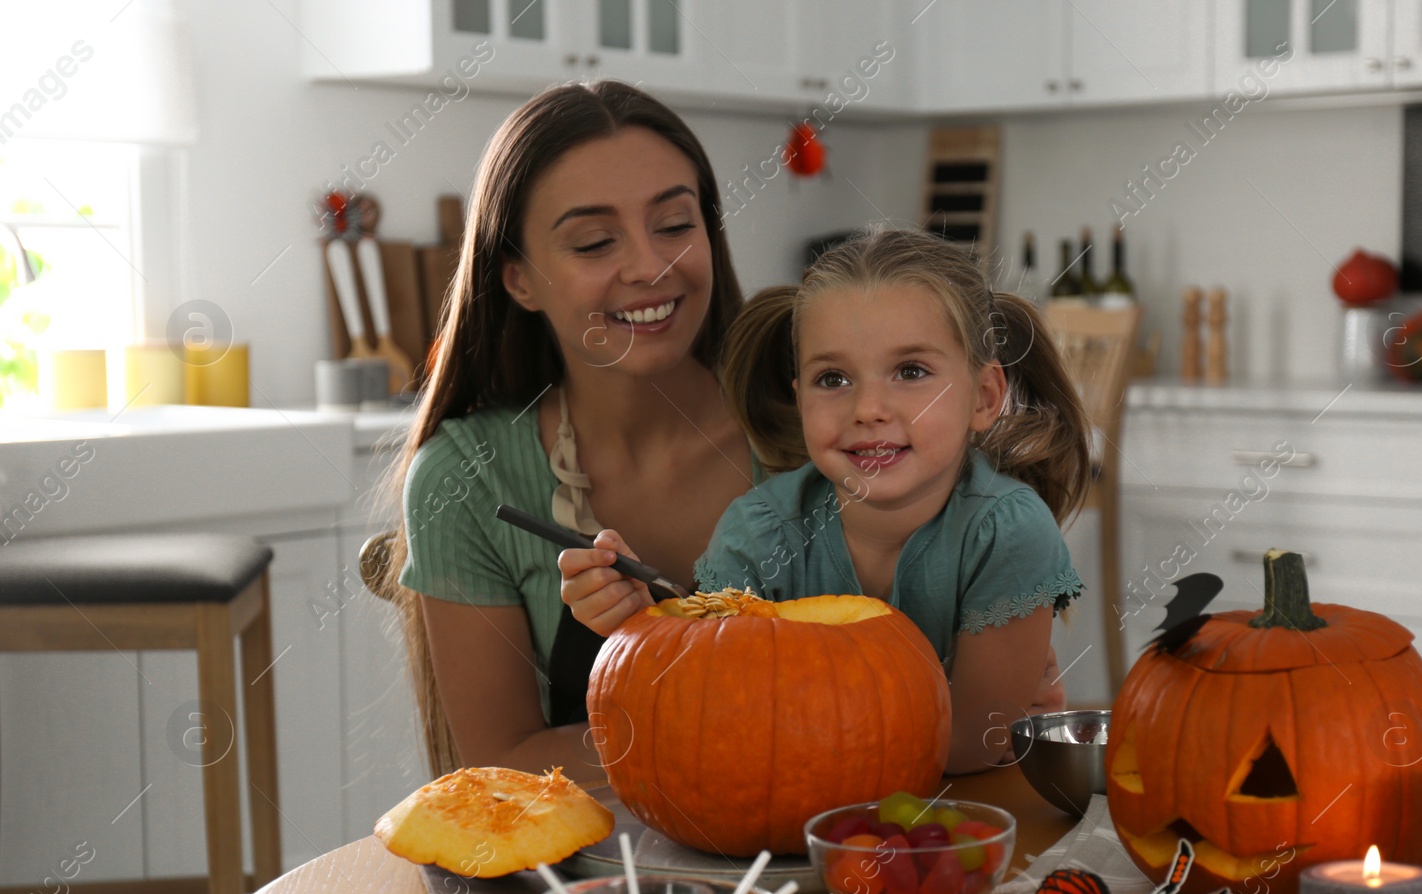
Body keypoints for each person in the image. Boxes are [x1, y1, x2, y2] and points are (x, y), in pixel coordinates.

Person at [564, 227, 1092, 773]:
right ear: (800, 400)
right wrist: (643, 628)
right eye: (833, 378)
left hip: (962, 824)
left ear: (983, 398)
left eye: (911, 372)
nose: (868, 408)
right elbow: (714, 726)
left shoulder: (1007, 531)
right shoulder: (758, 531)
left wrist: (789, 731)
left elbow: (966, 745)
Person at [386, 81, 754, 776]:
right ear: (520, 280)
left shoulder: (807, 431)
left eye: (675, 225)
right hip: (584, 882)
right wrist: (739, 727)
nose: (650, 266)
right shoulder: (468, 477)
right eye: (593, 242)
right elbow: (502, 761)